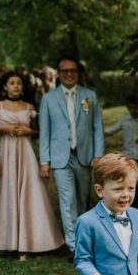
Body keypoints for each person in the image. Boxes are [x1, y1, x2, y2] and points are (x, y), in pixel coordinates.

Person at [0, 71, 64, 254]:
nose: (15, 86)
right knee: (9, 191)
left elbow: (39, 132)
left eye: (19, 83)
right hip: (7, 152)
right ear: (5, 86)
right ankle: (11, 243)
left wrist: (28, 131)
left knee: (30, 190)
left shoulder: (29, 107)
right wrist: (4, 128)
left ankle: (33, 241)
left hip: (25, 152)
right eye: (11, 83)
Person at [39, 56, 105, 254]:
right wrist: (44, 160)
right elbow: (45, 131)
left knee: (83, 198)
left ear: (78, 73)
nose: (69, 74)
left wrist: (98, 154)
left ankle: (85, 239)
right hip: (61, 158)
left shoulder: (89, 96)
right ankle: (74, 246)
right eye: (65, 71)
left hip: (84, 155)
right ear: (58, 74)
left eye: (72, 71)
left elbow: (97, 127)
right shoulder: (48, 99)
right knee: (67, 200)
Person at [104, 94, 138, 212]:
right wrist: (98, 132)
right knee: (131, 181)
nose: (132, 110)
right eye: (130, 107)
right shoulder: (124, 121)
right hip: (130, 156)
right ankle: (134, 205)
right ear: (127, 107)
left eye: (135, 107)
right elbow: (111, 130)